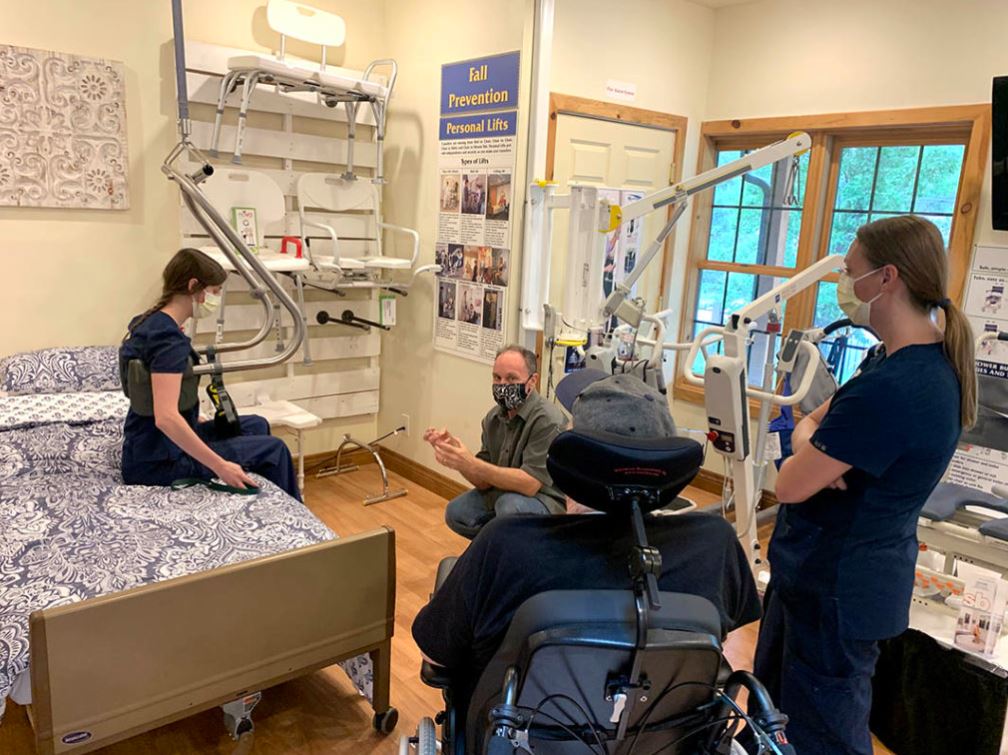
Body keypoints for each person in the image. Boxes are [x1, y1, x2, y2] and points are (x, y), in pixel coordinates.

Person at [413, 370, 761, 716]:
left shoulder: (506, 545)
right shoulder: (715, 544)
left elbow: (436, 660)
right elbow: (718, 647)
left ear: (572, 458)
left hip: (522, 733)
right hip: (659, 736)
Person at [756, 215, 975, 755]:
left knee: (823, 734)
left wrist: (808, 449)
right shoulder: (894, 364)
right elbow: (811, 419)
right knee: (775, 714)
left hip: (836, 588)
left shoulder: (900, 389)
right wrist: (811, 439)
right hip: (823, 577)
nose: (844, 286)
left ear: (887, 278)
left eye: (850, 273)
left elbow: (786, 485)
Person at [119, 248, 302, 500]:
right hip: (158, 462)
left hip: (150, 444)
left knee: (256, 424)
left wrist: (191, 413)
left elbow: (159, 393)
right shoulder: (167, 340)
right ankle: (293, 526)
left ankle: (260, 502)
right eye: (214, 291)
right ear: (194, 285)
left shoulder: (150, 322)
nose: (216, 298)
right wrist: (220, 466)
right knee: (275, 450)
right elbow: (165, 418)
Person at [425, 346, 567, 539]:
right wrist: (458, 459)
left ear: (531, 381)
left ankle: (514, 549)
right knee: (457, 513)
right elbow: (483, 482)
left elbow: (530, 485)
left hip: (545, 500)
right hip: (505, 493)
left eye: (511, 378)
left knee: (508, 508)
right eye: (497, 378)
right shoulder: (493, 418)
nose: (502, 385)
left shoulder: (548, 420)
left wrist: (472, 463)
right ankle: (498, 548)